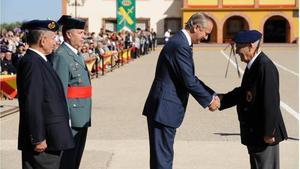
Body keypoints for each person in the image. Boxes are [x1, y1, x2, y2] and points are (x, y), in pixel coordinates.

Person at [142, 12, 220, 169]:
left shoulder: (181, 42)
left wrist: (212, 94)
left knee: (163, 156)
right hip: (164, 109)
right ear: (196, 27)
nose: (205, 38)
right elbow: (189, 81)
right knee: (162, 159)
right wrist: (210, 101)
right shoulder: (180, 45)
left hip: (164, 108)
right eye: (206, 33)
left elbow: (190, 77)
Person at [218, 30, 288, 169]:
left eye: (239, 47)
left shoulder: (264, 66)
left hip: (264, 135)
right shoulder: (254, 65)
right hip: (255, 133)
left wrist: (269, 132)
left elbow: (271, 101)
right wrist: (222, 99)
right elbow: (244, 92)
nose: (237, 51)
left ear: (250, 46)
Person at [17, 20, 74, 169]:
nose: (56, 42)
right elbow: (33, 102)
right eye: (53, 38)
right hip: (44, 140)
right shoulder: (32, 63)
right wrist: (38, 137)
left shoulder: (40, 60)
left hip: (51, 136)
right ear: (43, 41)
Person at [51, 15, 92, 169]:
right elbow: (60, 92)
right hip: (71, 120)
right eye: (80, 33)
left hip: (81, 117)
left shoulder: (76, 54)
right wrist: (64, 120)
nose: (84, 36)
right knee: (67, 162)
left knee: (75, 160)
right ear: (68, 34)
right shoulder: (62, 56)